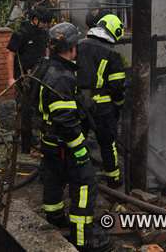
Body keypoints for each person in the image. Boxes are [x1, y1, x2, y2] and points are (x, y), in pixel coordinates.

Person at [38, 22, 110, 251]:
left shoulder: (46, 68)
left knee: (53, 179)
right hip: (65, 144)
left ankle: (55, 217)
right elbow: (65, 120)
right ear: (70, 48)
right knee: (85, 184)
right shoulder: (61, 77)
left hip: (50, 142)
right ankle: (82, 240)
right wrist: (80, 150)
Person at [77, 14, 126, 189]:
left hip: (79, 103)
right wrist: (119, 106)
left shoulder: (78, 45)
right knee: (107, 143)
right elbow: (117, 87)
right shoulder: (112, 54)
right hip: (103, 107)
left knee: (77, 141)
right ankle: (113, 179)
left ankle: (78, 174)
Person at [6, 6, 53, 153]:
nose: (46, 25)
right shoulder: (21, 33)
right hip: (24, 78)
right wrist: (10, 78)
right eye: (44, 22)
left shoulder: (44, 34)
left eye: (47, 23)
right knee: (25, 111)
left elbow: (46, 51)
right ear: (35, 19)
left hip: (40, 77)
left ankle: (41, 140)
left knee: (41, 109)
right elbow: (10, 55)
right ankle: (26, 148)